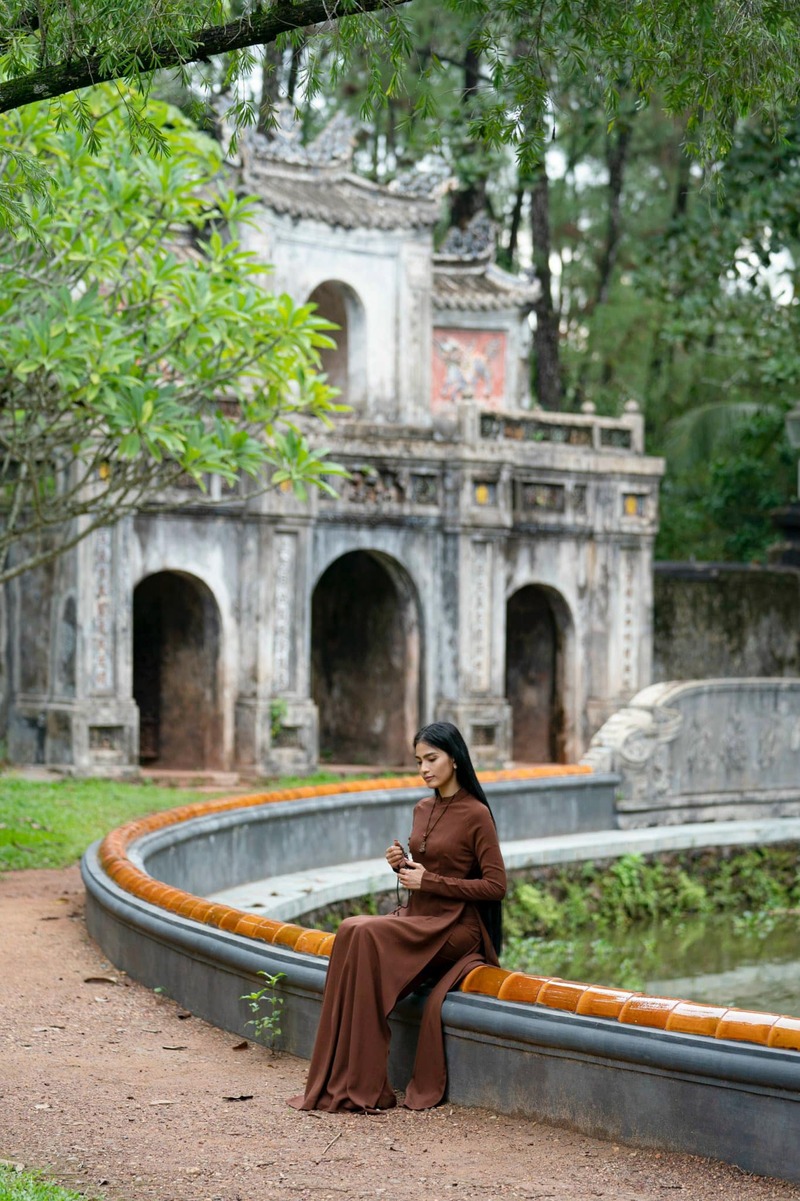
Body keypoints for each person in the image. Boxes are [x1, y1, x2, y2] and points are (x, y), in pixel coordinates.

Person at [288, 721, 506, 1113]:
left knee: (368, 934)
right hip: (421, 917)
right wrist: (401, 866)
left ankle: (365, 1085)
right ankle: (341, 1077)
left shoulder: (477, 814)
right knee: (351, 928)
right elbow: (425, 872)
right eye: (419, 760)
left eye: (432, 758)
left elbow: (495, 886)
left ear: (454, 759)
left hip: (456, 927)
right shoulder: (422, 808)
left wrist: (430, 880)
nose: (424, 768)